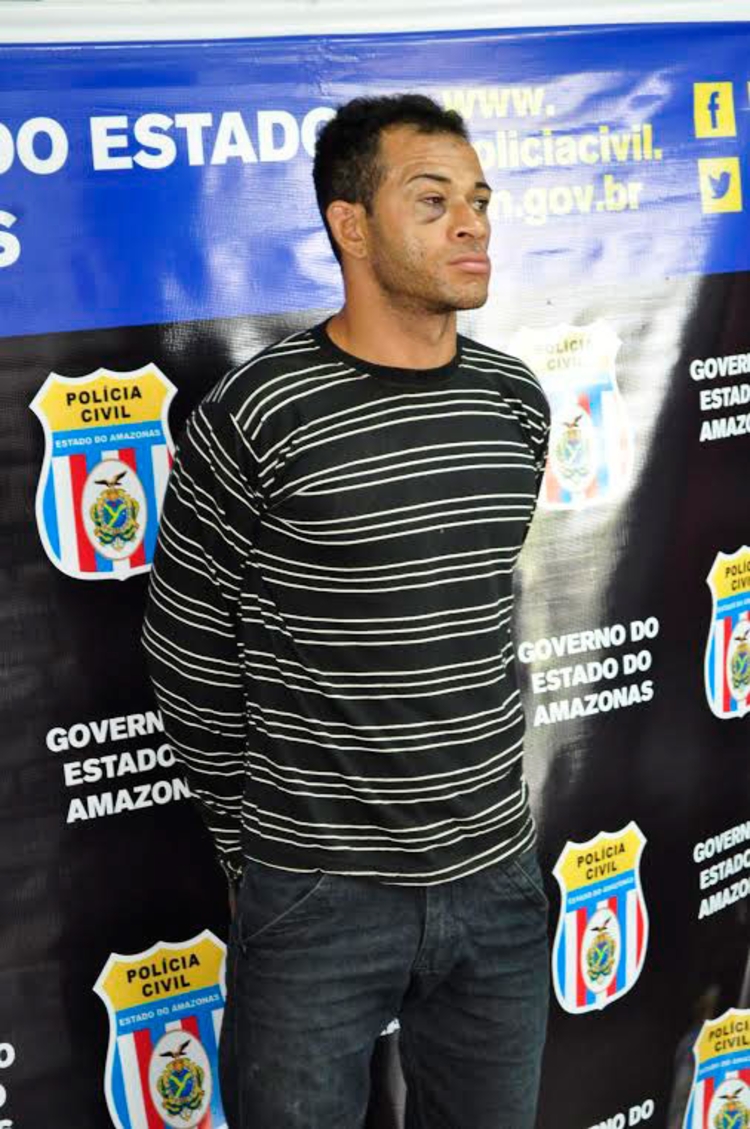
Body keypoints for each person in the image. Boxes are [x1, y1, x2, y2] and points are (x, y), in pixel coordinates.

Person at [144, 93, 550, 1129]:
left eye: (479, 201)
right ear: (352, 226)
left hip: (499, 884)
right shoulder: (258, 414)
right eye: (434, 201)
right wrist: (254, 851)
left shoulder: (514, 403)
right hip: (318, 895)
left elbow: (474, 616)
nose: (472, 225)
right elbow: (188, 655)